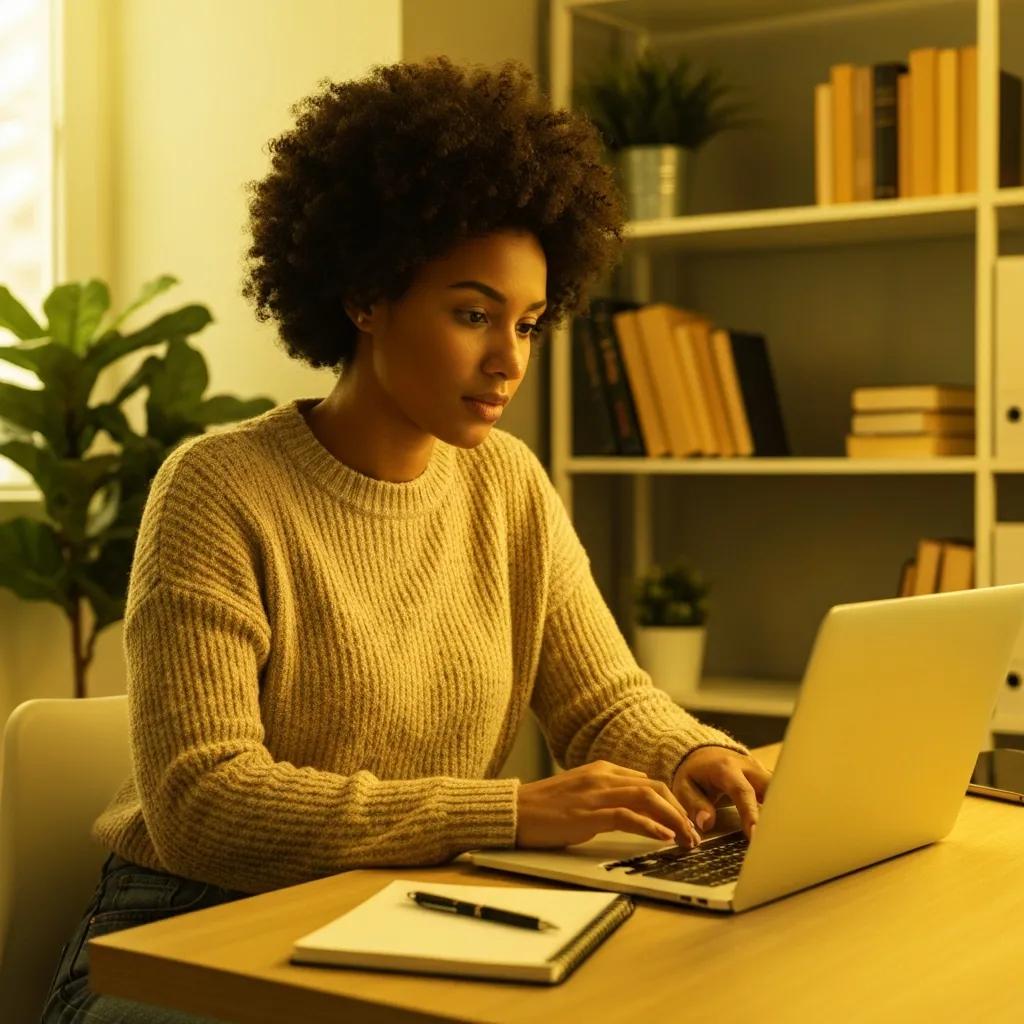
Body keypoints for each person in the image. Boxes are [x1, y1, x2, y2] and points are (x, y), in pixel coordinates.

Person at [42, 56, 771, 1023]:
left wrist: (689, 756)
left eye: (529, 322)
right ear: (367, 296)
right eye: (472, 314)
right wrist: (511, 811)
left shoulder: (506, 484)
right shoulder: (217, 488)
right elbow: (203, 803)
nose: (508, 360)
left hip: (401, 912)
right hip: (178, 936)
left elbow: (601, 699)